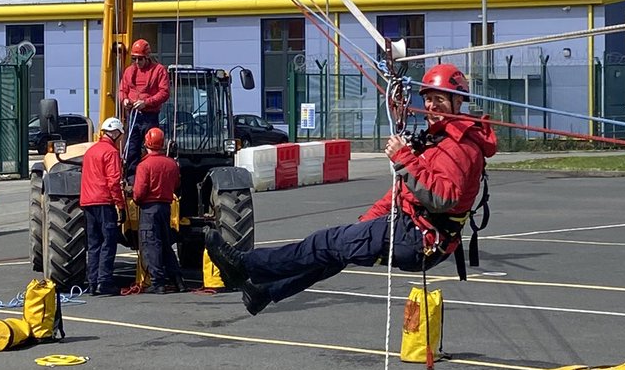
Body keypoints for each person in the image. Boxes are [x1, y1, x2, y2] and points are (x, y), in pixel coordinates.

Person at [205, 64, 497, 315]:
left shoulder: (459, 148)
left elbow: (442, 197)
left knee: (324, 242)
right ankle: (265, 290)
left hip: (418, 237)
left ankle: (246, 266)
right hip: (414, 231)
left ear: (458, 101)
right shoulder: (440, 141)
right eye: (429, 99)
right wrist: (368, 221)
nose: (432, 107)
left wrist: (403, 157)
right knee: (334, 252)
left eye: (440, 100)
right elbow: (400, 194)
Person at [132, 126, 185, 294]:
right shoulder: (172, 164)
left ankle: (158, 282)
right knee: (166, 245)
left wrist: (135, 198)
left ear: (146, 143)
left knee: (151, 245)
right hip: (165, 207)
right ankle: (178, 281)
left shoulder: (144, 165)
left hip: (149, 209)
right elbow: (176, 184)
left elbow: (139, 192)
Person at [80, 116, 126, 295]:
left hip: (88, 201)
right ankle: (104, 281)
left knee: (94, 244)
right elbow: (114, 181)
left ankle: (92, 283)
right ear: (115, 133)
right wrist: (120, 204)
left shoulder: (91, 151)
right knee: (108, 241)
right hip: (104, 202)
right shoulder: (111, 152)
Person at [118, 38, 170, 182]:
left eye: (140, 59)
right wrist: (125, 100)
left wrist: (146, 103)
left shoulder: (159, 70)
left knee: (152, 148)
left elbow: (164, 92)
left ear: (147, 57)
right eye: (134, 58)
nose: (137, 62)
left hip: (150, 116)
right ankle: (131, 179)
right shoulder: (129, 71)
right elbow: (122, 90)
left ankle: (151, 178)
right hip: (133, 115)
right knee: (131, 148)